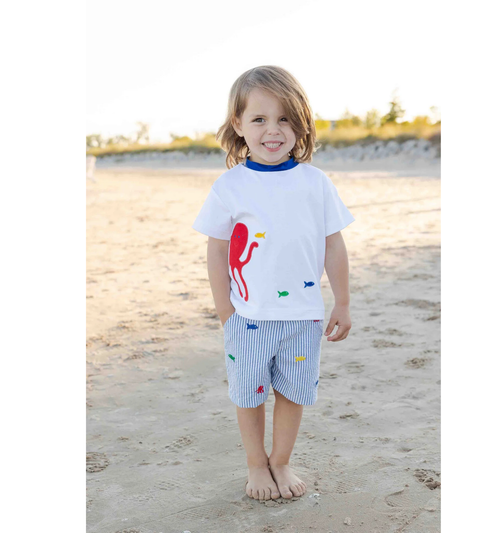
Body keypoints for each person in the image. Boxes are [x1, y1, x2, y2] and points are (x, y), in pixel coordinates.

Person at [191, 66, 355, 501]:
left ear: (300, 124)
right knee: (248, 394)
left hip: (303, 315)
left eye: (284, 119)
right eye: (260, 119)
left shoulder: (315, 182)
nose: (273, 130)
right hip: (247, 316)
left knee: (292, 392)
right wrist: (225, 310)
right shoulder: (230, 186)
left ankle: (280, 461)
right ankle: (255, 463)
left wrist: (341, 302)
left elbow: (333, 245)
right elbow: (217, 251)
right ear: (238, 124)